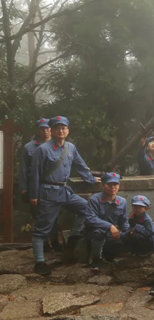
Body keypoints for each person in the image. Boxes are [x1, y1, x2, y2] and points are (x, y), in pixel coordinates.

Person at [29, 116, 100, 275]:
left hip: (65, 191)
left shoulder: (70, 147)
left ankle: (73, 238)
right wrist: (34, 195)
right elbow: (35, 175)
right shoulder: (43, 149)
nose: (61, 131)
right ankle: (39, 262)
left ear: (67, 130)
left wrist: (91, 179)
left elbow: (80, 165)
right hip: (48, 192)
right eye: (57, 128)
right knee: (42, 228)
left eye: (64, 128)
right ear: (52, 131)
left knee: (87, 208)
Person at [19, 118, 63, 252]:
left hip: (51, 186)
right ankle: (43, 244)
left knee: (53, 215)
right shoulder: (29, 147)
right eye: (42, 129)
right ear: (38, 131)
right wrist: (23, 187)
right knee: (38, 215)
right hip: (34, 186)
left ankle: (55, 241)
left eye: (47, 128)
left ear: (51, 130)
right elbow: (24, 169)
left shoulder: (58, 145)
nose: (45, 131)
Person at [84, 172, 130, 271]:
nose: (112, 187)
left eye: (115, 184)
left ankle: (108, 256)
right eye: (109, 185)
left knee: (128, 236)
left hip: (112, 234)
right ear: (103, 185)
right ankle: (96, 259)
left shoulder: (122, 201)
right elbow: (90, 218)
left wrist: (129, 233)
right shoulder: (94, 199)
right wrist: (110, 226)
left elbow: (123, 221)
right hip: (95, 232)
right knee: (99, 233)